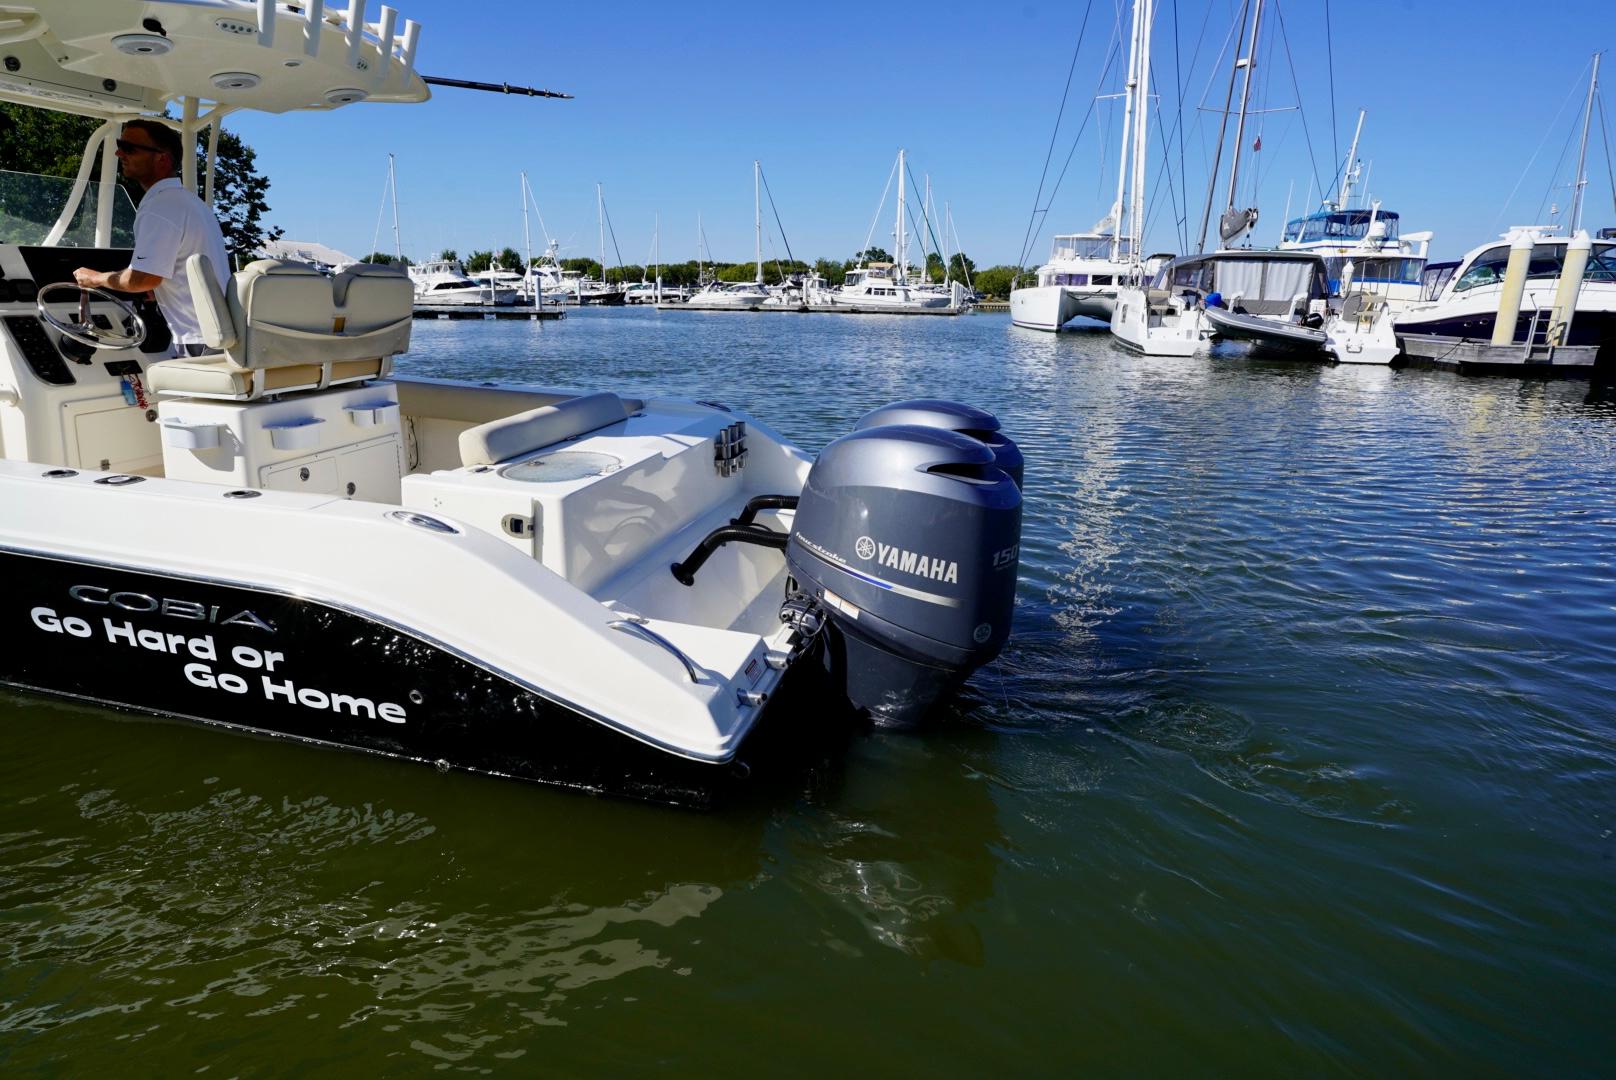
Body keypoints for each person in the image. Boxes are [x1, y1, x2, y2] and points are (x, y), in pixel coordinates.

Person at [73, 119, 230, 357]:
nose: (118, 153)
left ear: (162, 158)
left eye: (129, 148)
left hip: (198, 339)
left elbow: (142, 279)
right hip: (215, 336)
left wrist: (95, 279)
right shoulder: (189, 202)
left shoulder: (160, 206)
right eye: (119, 145)